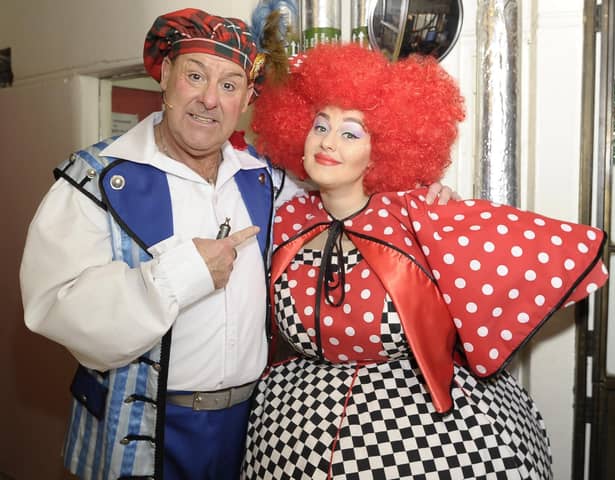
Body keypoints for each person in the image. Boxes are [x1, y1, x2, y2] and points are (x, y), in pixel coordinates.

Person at [19, 8, 456, 480]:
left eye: (229, 85)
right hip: (142, 428)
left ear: (247, 98)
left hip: (250, 426)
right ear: (164, 76)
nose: (209, 99)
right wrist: (182, 274)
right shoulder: (93, 181)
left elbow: (347, 191)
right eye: (195, 75)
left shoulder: (265, 180)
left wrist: (421, 194)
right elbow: (54, 310)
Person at [241, 43, 609, 479]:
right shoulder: (282, 218)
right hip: (292, 432)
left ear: (383, 148)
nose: (327, 142)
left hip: (418, 434)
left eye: (350, 133)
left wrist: (446, 216)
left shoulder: (418, 214)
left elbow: (548, 252)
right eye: (320, 125)